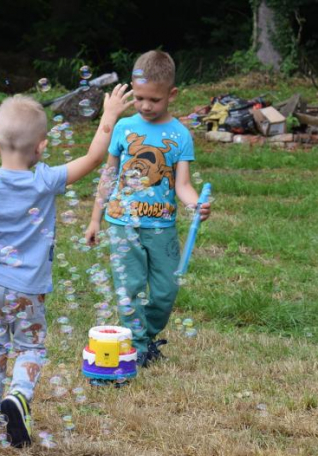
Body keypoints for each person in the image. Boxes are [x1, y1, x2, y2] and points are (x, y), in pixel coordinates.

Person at [0, 85, 134, 448]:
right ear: (41, 147)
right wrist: (109, 115)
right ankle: (18, 396)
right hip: (27, 287)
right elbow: (94, 157)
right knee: (30, 348)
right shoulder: (45, 179)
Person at [84, 50, 211, 368]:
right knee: (130, 288)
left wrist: (195, 203)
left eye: (154, 100)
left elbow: (183, 184)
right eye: (139, 98)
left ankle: (145, 334)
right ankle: (138, 345)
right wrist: (95, 219)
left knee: (166, 290)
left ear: (172, 94)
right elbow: (109, 175)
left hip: (161, 227)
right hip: (122, 222)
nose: (145, 106)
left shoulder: (180, 135)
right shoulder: (123, 127)